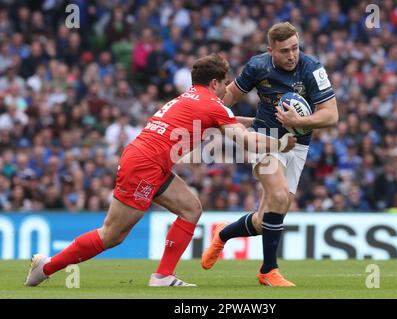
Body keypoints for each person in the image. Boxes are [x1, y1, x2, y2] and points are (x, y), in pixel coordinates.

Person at [24, 54, 296, 287]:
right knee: (112, 235)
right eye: (225, 83)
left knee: (191, 208)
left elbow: (224, 120)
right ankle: (46, 268)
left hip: (150, 160)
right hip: (145, 165)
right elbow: (245, 140)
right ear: (214, 82)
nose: (227, 89)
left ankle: (163, 275)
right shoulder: (213, 105)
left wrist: (256, 121)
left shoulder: (191, 98)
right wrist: (281, 142)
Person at [201, 22, 339, 286]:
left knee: (268, 218)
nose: (291, 55)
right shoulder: (257, 66)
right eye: (285, 50)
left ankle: (223, 234)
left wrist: (300, 120)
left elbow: (331, 115)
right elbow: (229, 97)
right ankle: (268, 270)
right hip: (264, 140)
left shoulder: (312, 69)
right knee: (277, 194)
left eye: (295, 48)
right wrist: (205, 115)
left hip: (298, 145)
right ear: (270, 51)